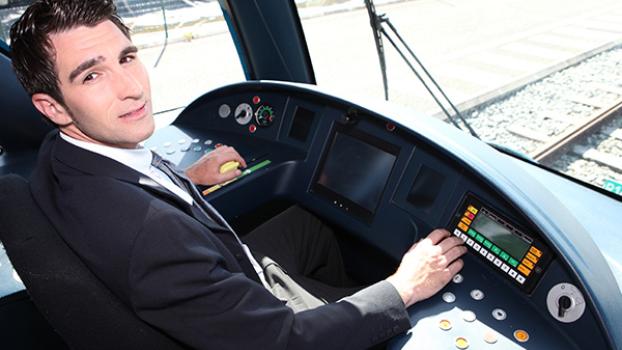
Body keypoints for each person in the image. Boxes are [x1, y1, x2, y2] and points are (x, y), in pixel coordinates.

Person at [9, 0, 466, 349]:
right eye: (92, 76)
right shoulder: (149, 237)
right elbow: (284, 342)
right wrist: (401, 288)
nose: (131, 89)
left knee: (310, 226)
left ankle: (330, 297)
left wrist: (185, 180)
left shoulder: (63, 156)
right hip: (271, 330)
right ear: (52, 106)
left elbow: (133, 183)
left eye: (126, 58)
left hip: (231, 270)